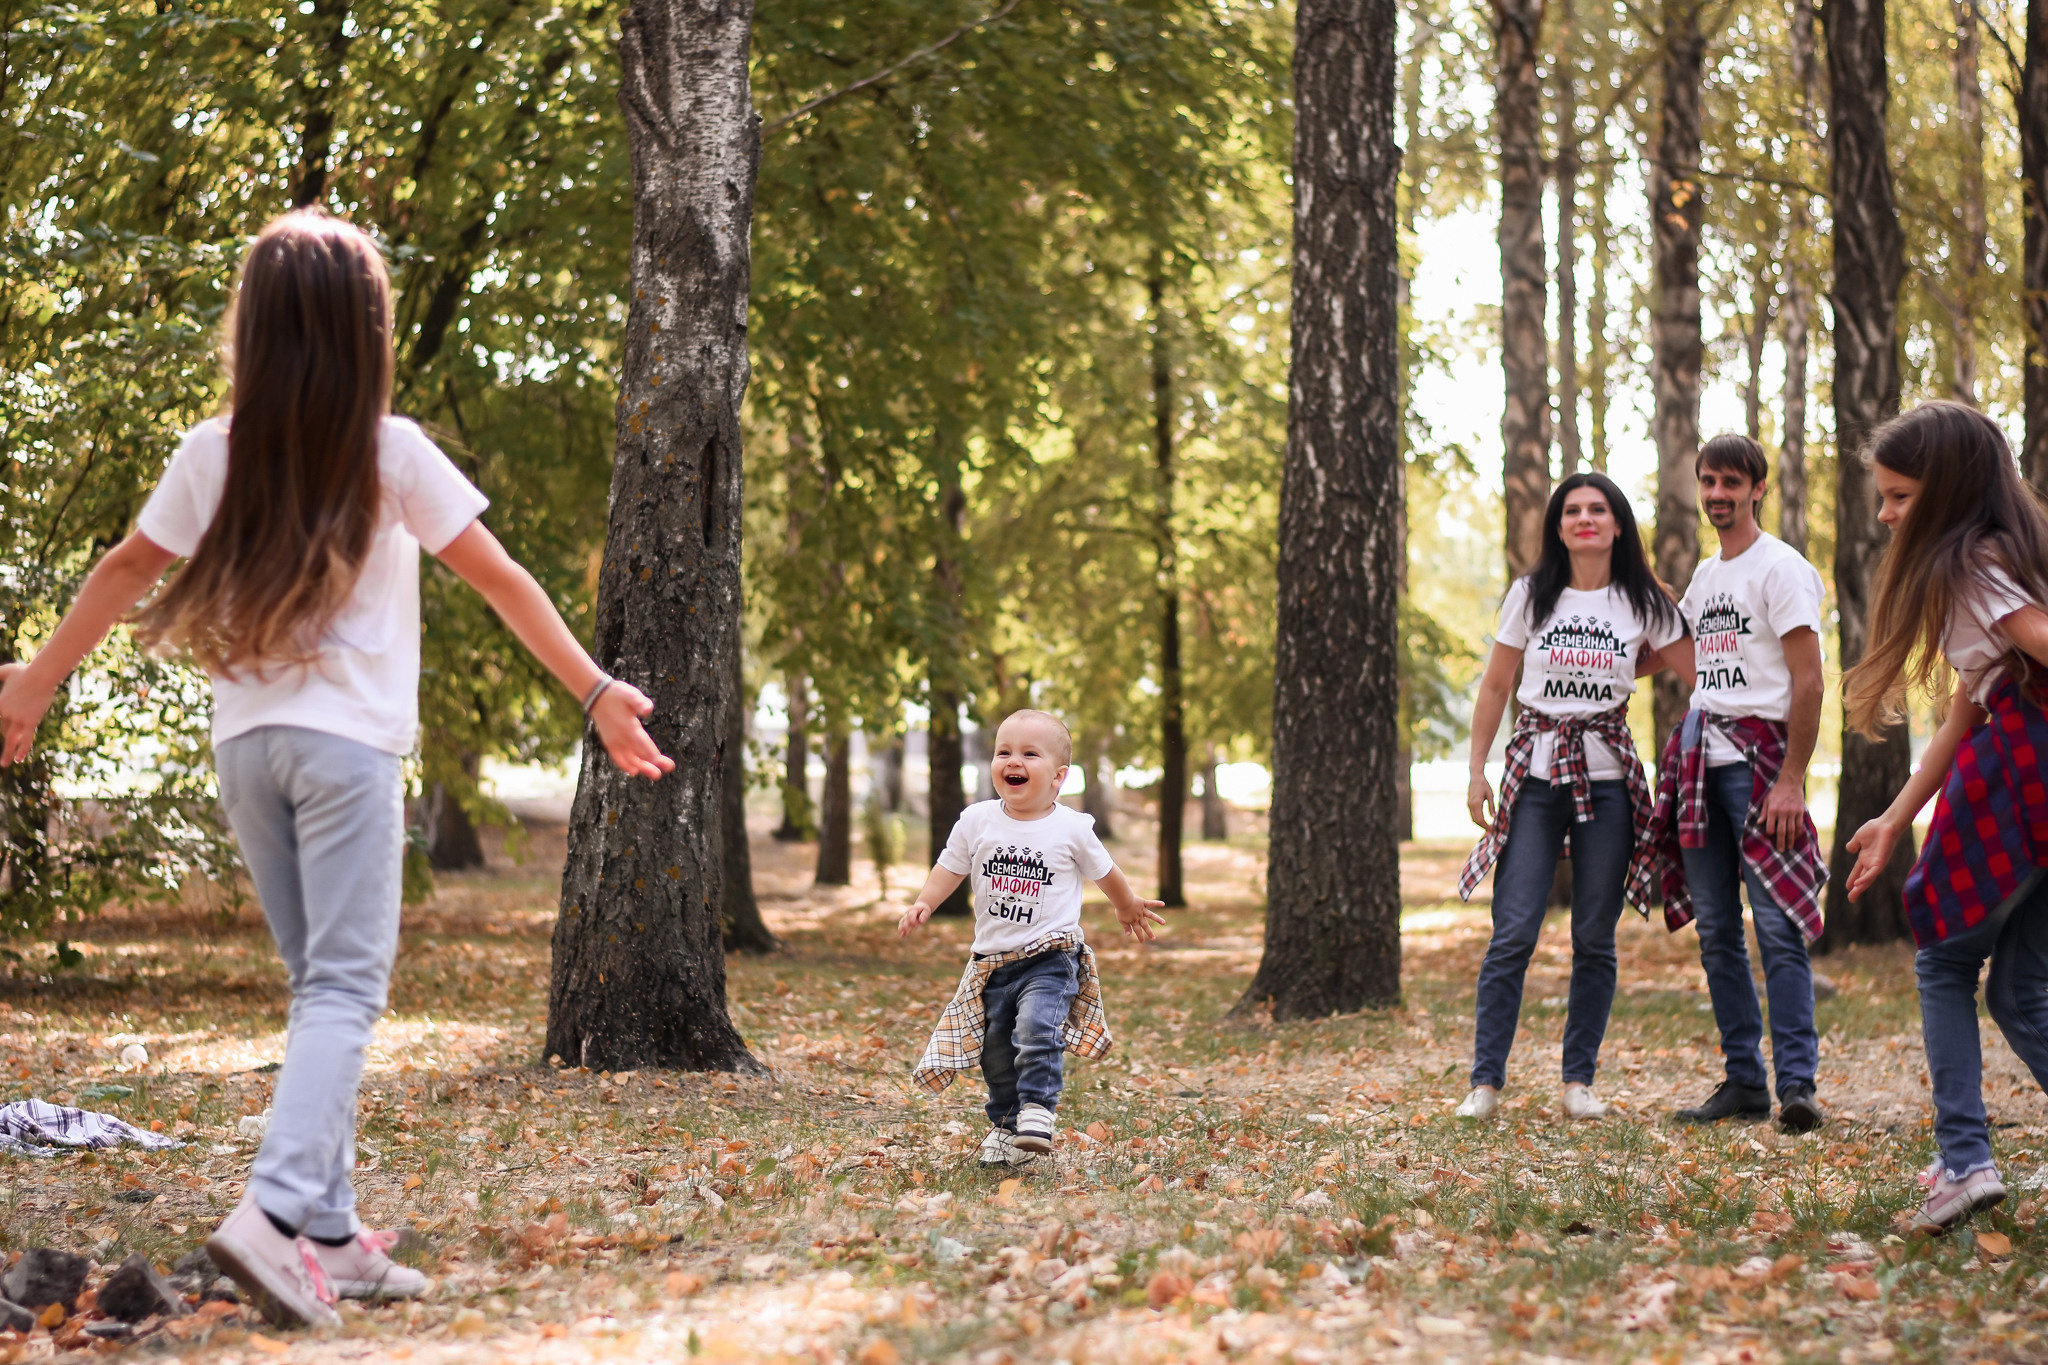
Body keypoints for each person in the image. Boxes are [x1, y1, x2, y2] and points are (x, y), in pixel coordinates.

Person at [0, 211, 672, 1325]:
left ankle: (330, 1233)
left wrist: (33, 681)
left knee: (321, 990)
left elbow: (127, 567)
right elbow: (500, 579)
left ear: (252, 332)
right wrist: (595, 693)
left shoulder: (211, 452)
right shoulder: (389, 448)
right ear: (368, 331)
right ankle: (270, 1216)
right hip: (347, 755)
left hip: (248, 752)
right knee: (346, 990)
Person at [1842, 401, 2048, 1233]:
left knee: (1941, 954)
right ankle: (1962, 1154)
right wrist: (1894, 818)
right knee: (2022, 989)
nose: (1886, 513)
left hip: (2024, 761)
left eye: (1898, 496)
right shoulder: (2007, 555)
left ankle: (1965, 1159)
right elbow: (1965, 705)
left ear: (1947, 488)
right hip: (2016, 748)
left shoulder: (1970, 561)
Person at [1456, 472, 1693, 1121]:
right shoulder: (1532, 595)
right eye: (1572, 510)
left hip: (1610, 783)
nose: (1584, 518)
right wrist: (1478, 770)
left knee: (1595, 933)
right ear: (1559, 525)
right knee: (1513, 931)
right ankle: (1484, 1084)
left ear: (1617, 523)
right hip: (1534, 780)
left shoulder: (1641, 600)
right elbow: (1496, 685)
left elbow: (1694, 663)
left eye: (1597, 509)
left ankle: (1577, 1083)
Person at [1645, 436, 1830, 1132]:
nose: (1717, 493)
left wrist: (1791, 780)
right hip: (1700, 759)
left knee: (1777, 926)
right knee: (1718, 928)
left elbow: (1810, 681)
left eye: (1730, 481)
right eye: (1707, 481)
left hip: (1761, 763)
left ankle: (1798, 1086)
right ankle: (1744, 1082)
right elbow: (1679, 656)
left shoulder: (1782, 569)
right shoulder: (1706, 577)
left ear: (1756, 487)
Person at [900, 709, 1165, 1167]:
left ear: (1058, 777)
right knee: (996, 1050)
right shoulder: (976, 820)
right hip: (992, 962)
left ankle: (1038, 1111)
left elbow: (1107, 872)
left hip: (1051, 956)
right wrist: (926, 900)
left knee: (1037, 1028)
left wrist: (1126, 905)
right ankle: (1007, 1128)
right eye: (1003, 751)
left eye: (1029, 753)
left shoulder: (1072, 828)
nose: (1012, 761)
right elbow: (950, 865)